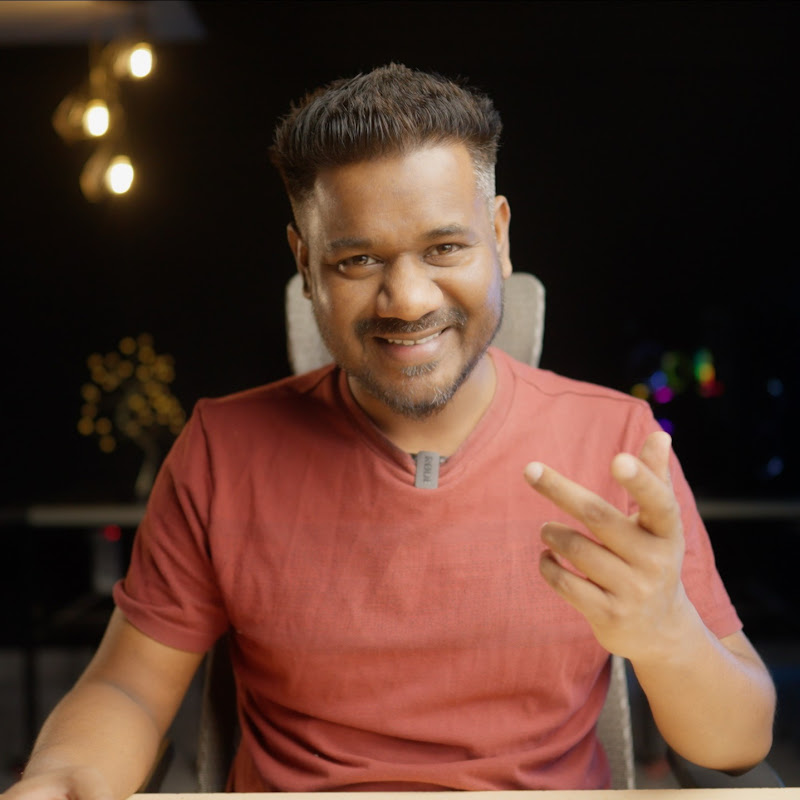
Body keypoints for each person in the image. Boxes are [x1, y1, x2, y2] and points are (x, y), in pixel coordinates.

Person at [5, 63, 775, 799]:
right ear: (305, 262)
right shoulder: (220, 451)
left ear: (499, 236)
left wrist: (669, 635)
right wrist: (65, 777)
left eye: (445, 248)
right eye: (357, 260)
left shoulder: (617, 441)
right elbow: (128, 687)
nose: (407, 300)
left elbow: (738, 744)